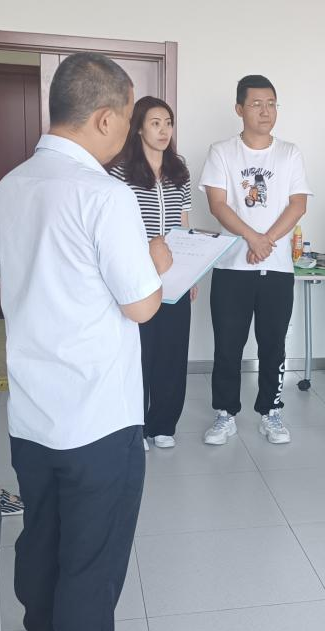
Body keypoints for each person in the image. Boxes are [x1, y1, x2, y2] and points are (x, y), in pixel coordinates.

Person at [0, 52, 168, 631]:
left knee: (43, 536)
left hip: (33, 407)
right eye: (127, 119)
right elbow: (141, 305)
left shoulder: (9, 187)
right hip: (97, 412)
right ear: (105, 118)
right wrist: (157, 259)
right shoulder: (104, 195)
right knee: (92, 552)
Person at [199, 74, 311, 446]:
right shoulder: (221, 151)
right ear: (239, 109)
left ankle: (271, 411)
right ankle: (225, 414)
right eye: (256, 104)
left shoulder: (289, 153)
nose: (266, 111)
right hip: (232, 266)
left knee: (273, 344)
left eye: (271, 104)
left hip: (276, 268)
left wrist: (267, 241)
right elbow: (217, 204)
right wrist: (253, 238)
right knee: (227, 345)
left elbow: (298, 204)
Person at [108, 96, 194, 450]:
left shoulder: (179, 171)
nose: (163, 130)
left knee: (172, 352)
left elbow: (184, 224)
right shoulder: (120, 172)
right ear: (139, 127)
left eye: (168, 123)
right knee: (139, 352)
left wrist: (190, 273)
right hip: (136, 274)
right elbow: (115, 228)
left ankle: (163, 424)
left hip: (174, 274)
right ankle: (136, 425)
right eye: (155, 123)